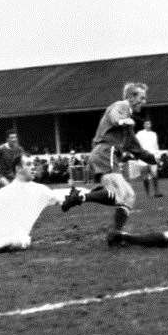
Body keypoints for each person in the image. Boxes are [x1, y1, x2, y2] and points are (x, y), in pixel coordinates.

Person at [60, 82, 157, 243]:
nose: (144, 101)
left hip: (105, 155)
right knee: (121, 193)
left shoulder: (128, 122)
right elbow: (114, 116)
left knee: (128, 196)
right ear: (131, 97)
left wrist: (150, 158)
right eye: (142, 97)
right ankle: (81, 196)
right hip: (106, 152)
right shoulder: (122, 105)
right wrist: (122, 121)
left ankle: (115, 233)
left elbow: (134, 146)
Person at [135, 120, 163, 198]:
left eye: (149, 123)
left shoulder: (154, 134)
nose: (148, 125)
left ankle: (157, 192)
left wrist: (158, 156)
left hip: (153, 156)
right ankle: (148, 194)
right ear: (144, 125)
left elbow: (156, 146)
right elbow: (136, 144)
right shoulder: (139, 134)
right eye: (147, 123)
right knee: (145, 176)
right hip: (143, 157)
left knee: (155, 174)